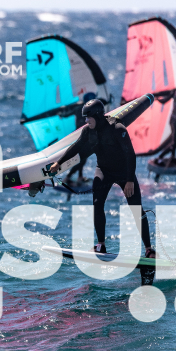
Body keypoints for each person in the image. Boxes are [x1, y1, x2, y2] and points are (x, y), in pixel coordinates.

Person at [46, 99, 155, 258]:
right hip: (104, 171)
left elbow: (130, 155)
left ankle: (149, 249)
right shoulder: (88, 131)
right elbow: (76, 147)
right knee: (97, 204)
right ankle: (101, 245)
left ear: (97, 115)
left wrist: (130, 180)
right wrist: (59, 163)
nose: (86, 121)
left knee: (136, 208)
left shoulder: (117, 128)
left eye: (88, 117)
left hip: (124, 172)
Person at [66, 92, 96, 184]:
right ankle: (68, 177)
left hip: (80, 137)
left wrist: (62, 114)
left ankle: (80, 176)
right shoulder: (89, 110)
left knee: (82, 158)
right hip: (83, 138)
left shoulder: (79, 107)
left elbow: (67, 113)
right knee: (82, 159)